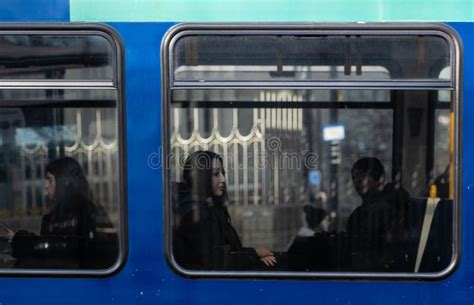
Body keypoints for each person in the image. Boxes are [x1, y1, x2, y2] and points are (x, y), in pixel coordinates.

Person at [0, 157, 118, 269]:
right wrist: (17, 238)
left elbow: (60, 250)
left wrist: (21, 241)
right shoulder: (71, 209)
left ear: (65, 181)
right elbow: (56, 245)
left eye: (50, 179)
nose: (45, 186)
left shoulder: (78, 211)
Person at [172, 151, 277, 271]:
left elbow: (229, 251)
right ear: (201, 177)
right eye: (216, 174)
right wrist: (255, 254)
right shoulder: (196, 213)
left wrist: (256, 256)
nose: (223, 179)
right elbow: (217, 263)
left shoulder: (210, 207)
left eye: (223, 173)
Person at [346, 157, 409, 271]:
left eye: (363, 175)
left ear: (379, 178)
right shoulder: (358, 214)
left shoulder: (388, 209)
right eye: (354, 177)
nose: (357, 181)